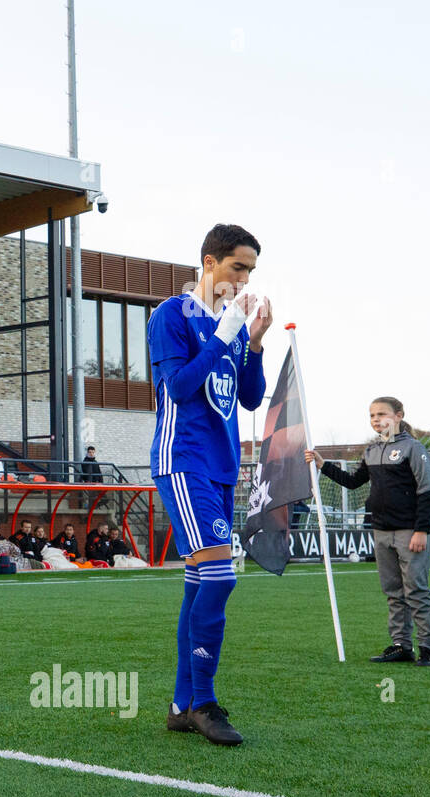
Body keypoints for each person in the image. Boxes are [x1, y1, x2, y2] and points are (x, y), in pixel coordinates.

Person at [149, 222, 269, 745]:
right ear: (209, 263)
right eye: (237, 268)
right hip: (183, 461)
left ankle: (181, 703)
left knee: (201, 582)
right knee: (221, 576)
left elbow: (248, 398)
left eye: (250, 271)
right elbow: (176, 386)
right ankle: (202, 700)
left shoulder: (235, 326)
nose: (242, 281)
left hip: (220, 466)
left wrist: (256, 344)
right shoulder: (171, 315)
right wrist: (223, 336)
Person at [307, 397, 430, 665]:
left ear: (398, 415)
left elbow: (427, 491)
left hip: (410, 532)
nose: (376, 419)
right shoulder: (371, 450)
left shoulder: (413, 448)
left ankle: (429, 648)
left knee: (416, 591)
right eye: (372, 415)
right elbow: (353, 482)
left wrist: (421, 530)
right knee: (393, 591)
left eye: (382, 414)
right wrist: (323, 465)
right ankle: (401, 645)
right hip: (381, 532)